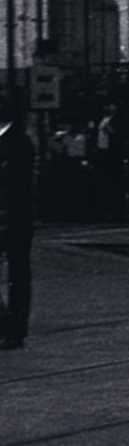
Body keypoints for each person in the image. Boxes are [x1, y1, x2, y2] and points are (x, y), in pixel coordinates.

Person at [0, 93, 34, 349]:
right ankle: (9, 324)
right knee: (18, 272)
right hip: (9, 215)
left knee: (18, 273)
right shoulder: (18, 141)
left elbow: (17, 186)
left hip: (13, 217)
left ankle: (15, 328)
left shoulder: (19, 143)